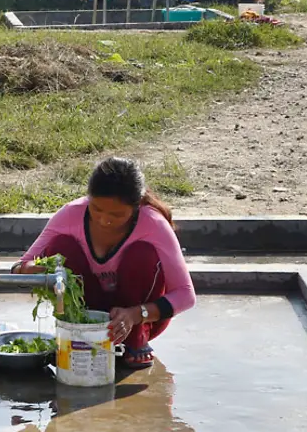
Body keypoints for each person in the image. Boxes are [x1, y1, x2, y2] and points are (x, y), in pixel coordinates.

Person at [11, 157, 196, 368]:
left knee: (142, 254)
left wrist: (136, 315)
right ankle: (78, 332)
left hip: (140, 317)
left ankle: (136, 339)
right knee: (62, 246)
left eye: (117, 215)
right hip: (87, 311)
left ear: (136, 207)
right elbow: (19, 267)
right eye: (97, 209)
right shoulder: (71, 214)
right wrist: (33, 270)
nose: (104, 220)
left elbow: (185, 294)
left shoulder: (153, 224)